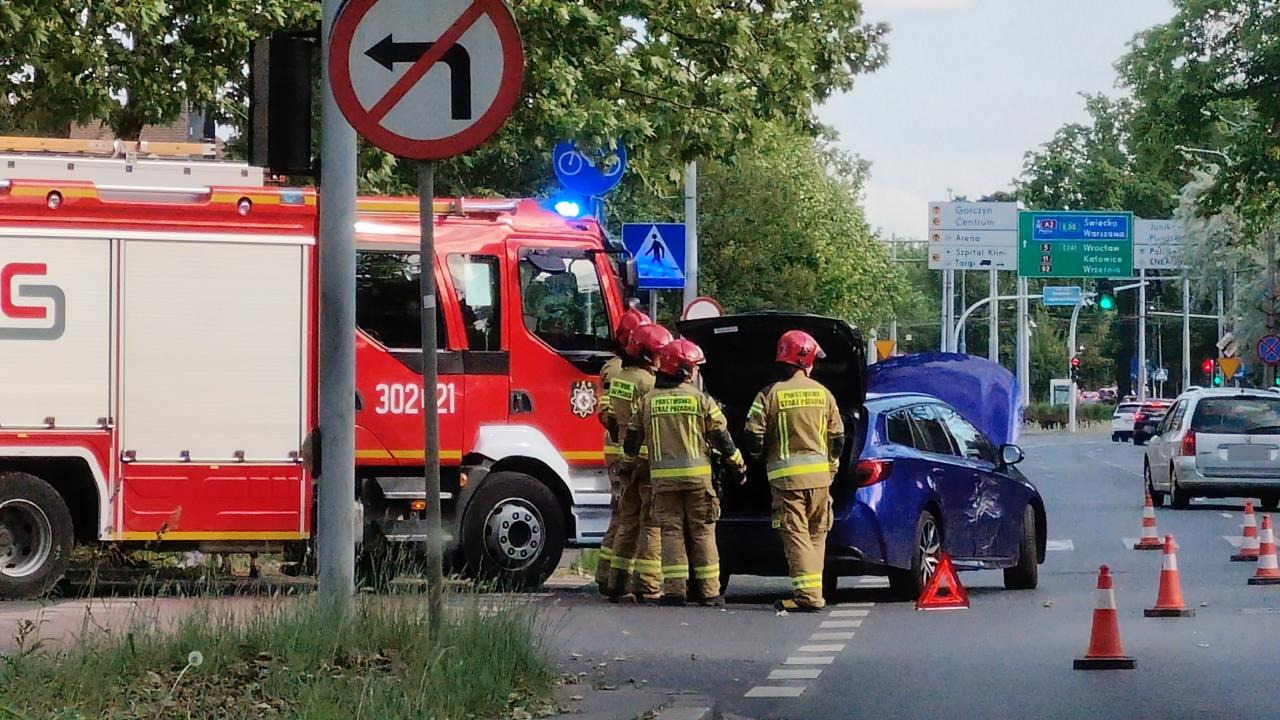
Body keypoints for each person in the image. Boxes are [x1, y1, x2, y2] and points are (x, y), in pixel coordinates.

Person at [625, 338, 745, 607]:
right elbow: (722, 438)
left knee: (671, 533)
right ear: (684, 370)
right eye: (694, 367)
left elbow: (631, 441)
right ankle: (709, 593)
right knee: (702, 532)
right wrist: (738, 466)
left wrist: (628, 467)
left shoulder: (647, 401)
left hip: (663, 483)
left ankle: (675, 591)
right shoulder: (700, 400)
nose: (696, 372)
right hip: (697, 480)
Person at [745, 330, 845, 612]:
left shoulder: (769, 394)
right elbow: (837, 438)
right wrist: (832, 467)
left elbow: (752, 436)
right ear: (807, 360)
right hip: (821, 479)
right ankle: (815, 591)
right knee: (817, 533)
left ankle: (808, 596)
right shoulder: (825, 395)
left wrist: (759, 458)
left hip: (786, 480)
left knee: (796, 534)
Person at [602, 323, 672, 602]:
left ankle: (614, 579)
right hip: (646, 458)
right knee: (650, 522)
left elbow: (607, 416)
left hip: (624, 457)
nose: (660, 360)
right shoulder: (648, 383)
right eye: (658, 354)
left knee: (625, 520)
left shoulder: (620, 377)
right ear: (647, 355)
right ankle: (649, 584)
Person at [594, 308, 652, 593]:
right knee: (629, 516)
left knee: (622, 514)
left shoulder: (615, 370)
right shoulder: (626, 373)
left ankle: (609, 575)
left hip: (617, 450)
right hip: (627, 453)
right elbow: (609, 413)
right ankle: (613, 577)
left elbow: (605, 412)